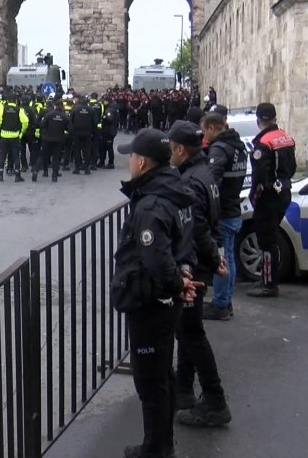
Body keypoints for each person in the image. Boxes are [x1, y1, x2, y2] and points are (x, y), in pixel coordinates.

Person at [112, 128, 199, 458]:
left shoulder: (151, 205)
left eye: (131, 156)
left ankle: (156, 450)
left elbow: (156, 260)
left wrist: (177, 283)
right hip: (166, 301)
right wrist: (183, 278)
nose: (129, 162)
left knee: (151, 383)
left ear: (143, 162)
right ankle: (161, 445)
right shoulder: (174, 190)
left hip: (151, 303)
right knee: (162, 375)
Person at [166, 121, 232, 428]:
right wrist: (215, 257)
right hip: (201, 261)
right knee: (187, 331)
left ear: (180, 149)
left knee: (192, 335)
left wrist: (209, 260)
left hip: (194, 265)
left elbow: (199, 226)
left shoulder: (191, 180)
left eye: (171, 149)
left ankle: (215, 400)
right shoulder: (204, 172)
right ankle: (183, 392)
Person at [201, 112, 248, 320]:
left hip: (223, 212)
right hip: (234, 208)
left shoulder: (219, 149)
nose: (204, 136)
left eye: (204, 131)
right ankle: (225, 301)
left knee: (222, 258)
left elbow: (212, 183)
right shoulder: (239, 147)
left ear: (211, 128)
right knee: (229, 256)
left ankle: (220, 303)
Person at [247, 102, 296, 298]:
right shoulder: (286, 137)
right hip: (284, 191)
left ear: (259, 120)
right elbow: (291, 168)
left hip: (268, 196)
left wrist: (254, 197)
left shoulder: (263, 143)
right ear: (274, 118)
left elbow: (259, 178)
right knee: (272, 237)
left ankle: (268, 283)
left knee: (266, 241)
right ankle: (268, 279)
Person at [0, 92, 29, 183]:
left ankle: (0, 175)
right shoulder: (19, 109)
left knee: (2, 156)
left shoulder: (3, 109)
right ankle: (17, 176)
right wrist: (22, 132)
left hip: (4, 136)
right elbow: (25, 121)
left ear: (7, 101)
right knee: (16, 156)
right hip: (15, 136)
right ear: (16, 101)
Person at [68, 96, 95, 175]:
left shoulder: (75, 109)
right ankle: (86, 168)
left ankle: (77, 168)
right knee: (87, 151)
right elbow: (94, 122)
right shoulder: (91, 110)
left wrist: (72, 130)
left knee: (77, 150)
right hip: (87, 133)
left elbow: (70, 120)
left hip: (77, 133)